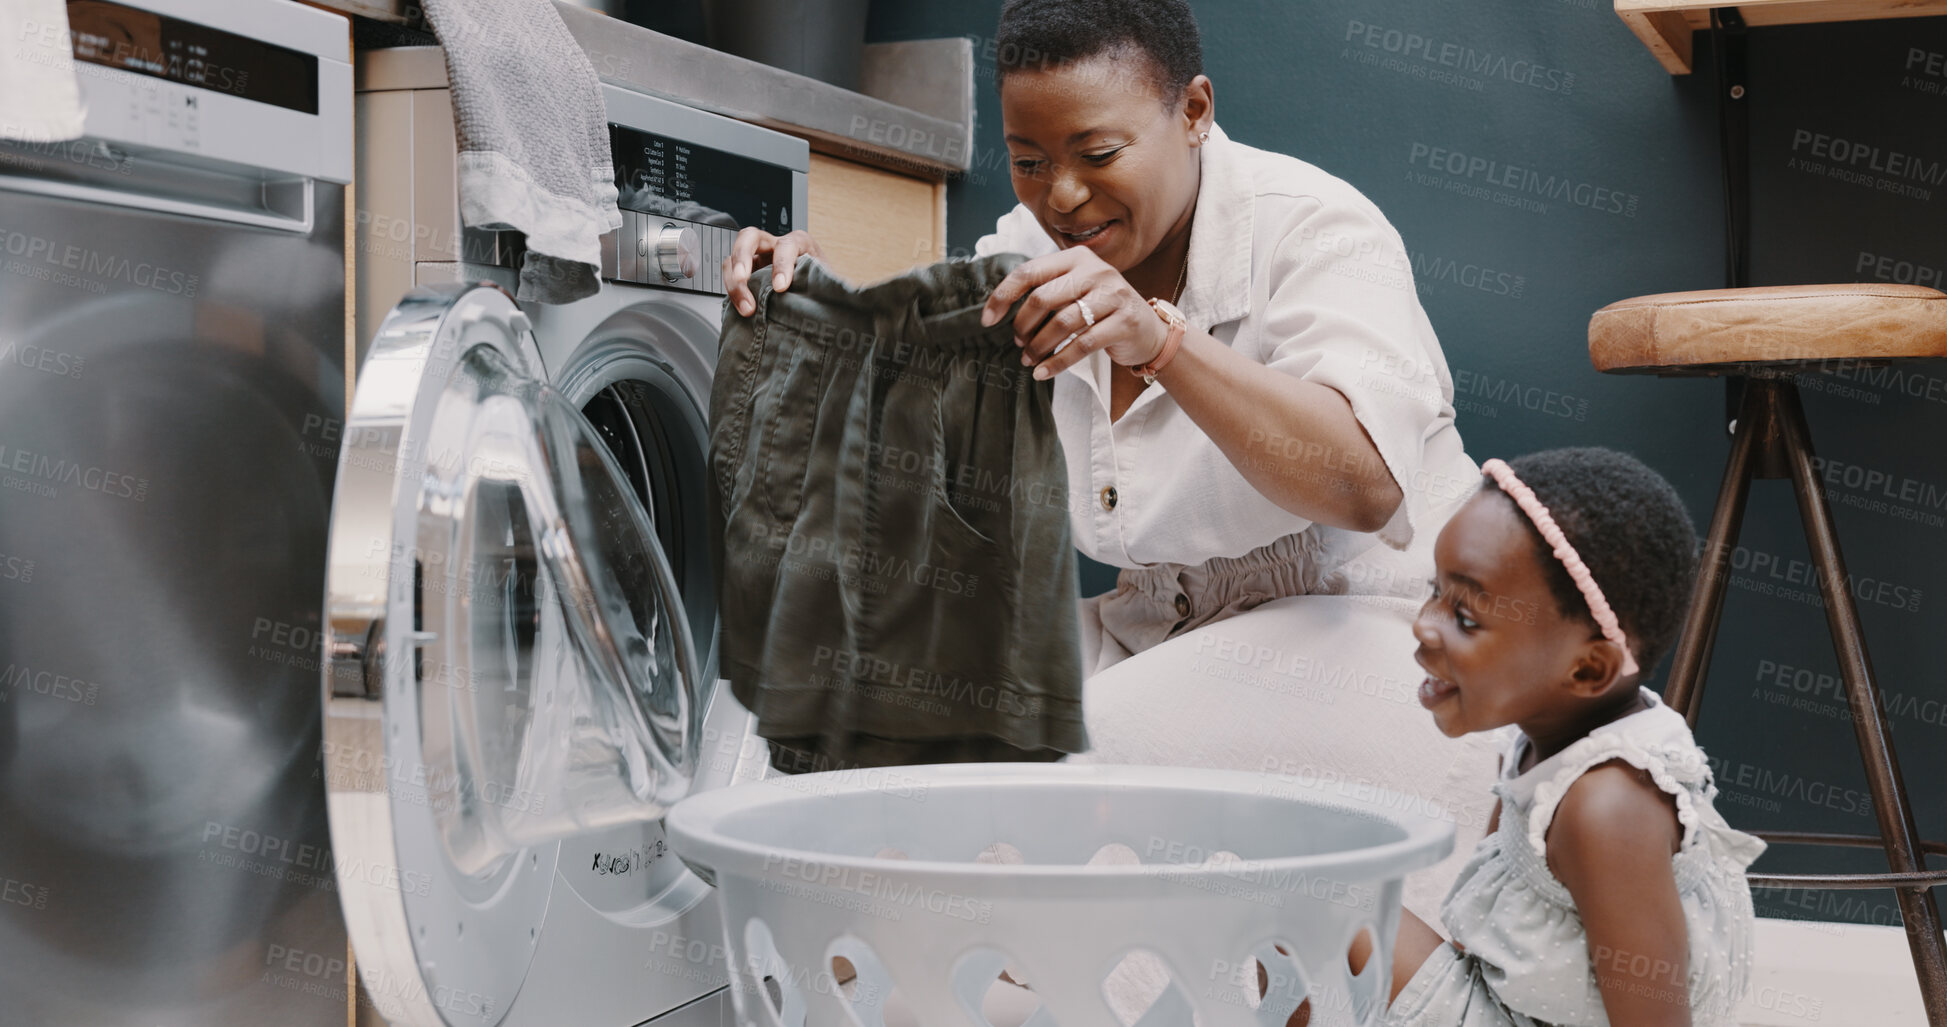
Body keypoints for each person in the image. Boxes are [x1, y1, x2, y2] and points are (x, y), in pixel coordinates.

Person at [722, 0, 1494, 947]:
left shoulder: (1318, 232)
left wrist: (1156, 337)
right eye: (1031, 159)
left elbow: (1364, 483)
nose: (1063, 198)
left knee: (1056, 793)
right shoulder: (1032, 252)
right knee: (853, 759)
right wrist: (813, 293)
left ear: (1195, 111)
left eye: (1097, 153)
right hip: (1161, 631)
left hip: (1371, 631)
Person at [1368, 447, 1764, 1027]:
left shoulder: (1607, 810)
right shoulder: (1547, 738)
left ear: (1586, 670)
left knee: (1311, 924)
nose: (1425, 624)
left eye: (1468, 617)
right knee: (1318, 901)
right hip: (1508, 1002)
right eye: (1435, 591)